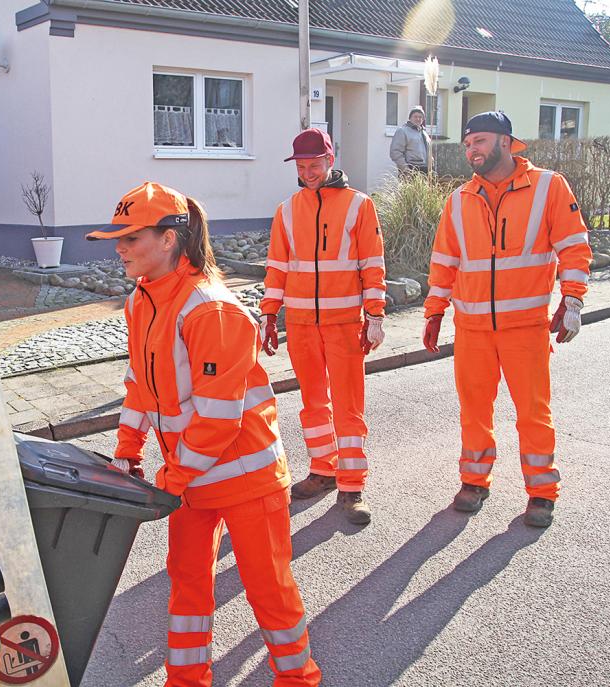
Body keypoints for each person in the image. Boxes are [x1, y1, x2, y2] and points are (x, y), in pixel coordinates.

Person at [87, 182, 320, 687]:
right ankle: (186, 680)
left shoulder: (210, 309)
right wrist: (127, 453)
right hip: (191, 480)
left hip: (245, 482)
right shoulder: (141, 303)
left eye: (130, 237)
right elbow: (138, 389)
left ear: (169, 239)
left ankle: (298, 677)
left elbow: (217, 419)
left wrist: (170, 479)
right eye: (117, 239)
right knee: (187, 588)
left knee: (268, 589)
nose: (120, 248)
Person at [422, 111, 592, 528]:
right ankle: (474, 481)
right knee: (474, 410)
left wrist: (572, 300)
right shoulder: (460, 198)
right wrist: (433, 311)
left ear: (504, 141)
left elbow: (573, 246)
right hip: (473, 328)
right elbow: (445, 261)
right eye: (467, 144)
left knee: (533, 411)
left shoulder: (549, 186)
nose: (471, 150)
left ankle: (541, 492)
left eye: (479, 140)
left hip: (526, 327)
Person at [259, 129, 386, 525]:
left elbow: (372, 262)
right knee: (314, 403)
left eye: (315, 165)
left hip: (345, 321)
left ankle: (352, 485)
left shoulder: (358, 206)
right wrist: (268, 315)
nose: (308, 172)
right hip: (299, 323)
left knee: (349, 405)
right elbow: (277, 268)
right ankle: (323, 470)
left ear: (330, 160)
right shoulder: (286, 210)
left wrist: (376, 314)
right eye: (301, 166)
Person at [389, 106, 432, 175]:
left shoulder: (424, 133)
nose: (418, 119)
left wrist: (430, 167)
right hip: (410, 170)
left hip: (425, 171)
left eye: (420, 117)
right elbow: (395, 152)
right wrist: (405, 169)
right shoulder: (402, 131)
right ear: (410, 118)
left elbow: (428, 152)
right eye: (415, 116)